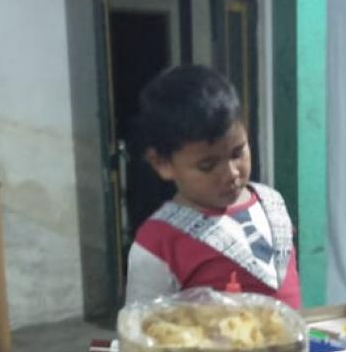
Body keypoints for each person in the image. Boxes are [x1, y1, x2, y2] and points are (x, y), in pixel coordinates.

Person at [124, 64, 300, 308]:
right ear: (163, 164)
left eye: (238, 153)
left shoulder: (272, 203)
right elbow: (140, 325)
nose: (231, 173)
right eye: (207, 166)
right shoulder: (158, 242)